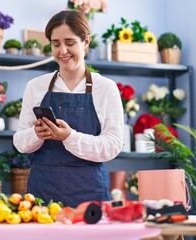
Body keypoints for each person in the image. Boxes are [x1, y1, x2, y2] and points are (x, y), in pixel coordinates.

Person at [13, 10, 124, 208]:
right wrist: (37, 134)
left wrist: (69, 137)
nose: (62, 51)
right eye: (56, 44)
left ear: (86, 42)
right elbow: (20, 142)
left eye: (70, 43)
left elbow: (113, 146)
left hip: (89, 193)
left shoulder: (105, 88)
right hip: (43, 193)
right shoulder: (36, 86)